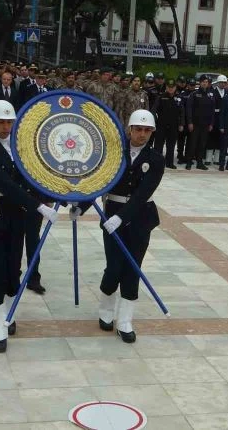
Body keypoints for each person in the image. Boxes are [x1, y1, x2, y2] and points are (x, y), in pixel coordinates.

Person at [0, 100, 58, 352]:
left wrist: (60, 194)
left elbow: (37, 176)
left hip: (16, 217)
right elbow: (4, 184)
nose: (5, 126)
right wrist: (38, 206)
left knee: (13, 269)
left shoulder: (23, 148)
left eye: (9, 122)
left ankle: (8, 316)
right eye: (0, 122)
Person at [72, 109, 164, 344]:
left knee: (133, 268)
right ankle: (106, 310)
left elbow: (143, 194)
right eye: (138, 129)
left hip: (140, 218)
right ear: (129, 130)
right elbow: (99, 183)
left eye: (147, 130)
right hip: (112, 214)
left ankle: (125, 321)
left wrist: (121, 217)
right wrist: (81, 207)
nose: (142, 134)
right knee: (114, 267)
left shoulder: (156, 159)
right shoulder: (113, 154)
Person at [185, 76, 216, 170]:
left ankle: (199, 163)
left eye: (206, 82)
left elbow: (212, 110)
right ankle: (189, 162)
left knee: (202, 144)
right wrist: (190, 122)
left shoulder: (211, 95)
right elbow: (189, 109)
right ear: (200, 83)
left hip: (205, 124)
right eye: (203, 82)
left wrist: (211, 123)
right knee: (192, 144)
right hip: (195, 124)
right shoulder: (194, 94)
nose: (205, 83)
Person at [152, 79, 183, 169]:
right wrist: (154, 122)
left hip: (174, 125)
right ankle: (157, 163)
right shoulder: (160, 97)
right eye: (169, 87)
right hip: (161, 125)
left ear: (175, 88)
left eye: (172, 87)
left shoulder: (179, 98)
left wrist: (181, 124)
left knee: (171, 145)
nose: (170, 89)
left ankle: (169, 163)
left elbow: (182, 112)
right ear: (166, 87)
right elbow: (154, 110)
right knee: (158, 145)